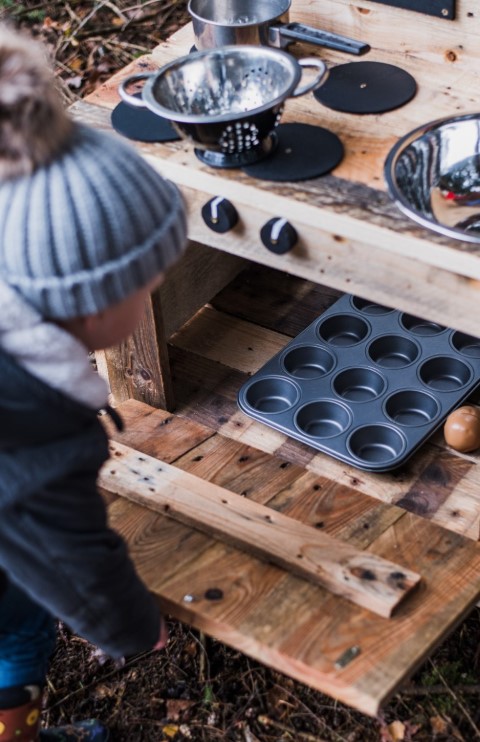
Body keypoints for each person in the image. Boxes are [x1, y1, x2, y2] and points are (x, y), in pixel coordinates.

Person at [0, 23, 187, 742]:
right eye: (150, 284)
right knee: (15, 635)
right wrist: (134, 628)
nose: (157, 291)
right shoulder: (32, 438)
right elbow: (75, 566)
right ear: (93, 303)